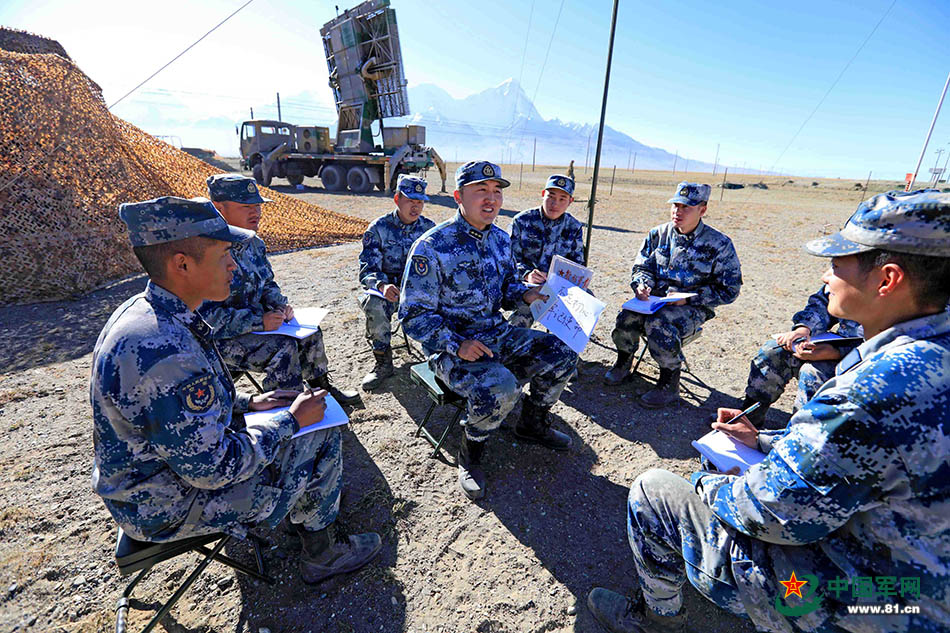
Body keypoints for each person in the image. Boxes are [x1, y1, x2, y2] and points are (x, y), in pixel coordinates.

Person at [587, 189, 950, 633]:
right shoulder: (931, 355)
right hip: (919, 583)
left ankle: (657, 620)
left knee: (655, 493)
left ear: (887, 279)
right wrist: (760, 440)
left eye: (838, 263)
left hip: (869, 603)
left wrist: (708, 484)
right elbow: (864, 460)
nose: (827, 274)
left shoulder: (873, 390)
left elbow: (771, 511)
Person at [90, 196, 380, 584]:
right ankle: (322, 553)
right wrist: (289, 421)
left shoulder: (152, 314)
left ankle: (305, 513)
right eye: (225, 254)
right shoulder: (163, 349)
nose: (234, 265)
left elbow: (179, 418)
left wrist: (249, 404)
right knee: (321, 433)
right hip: (166, 507)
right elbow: (215, 469)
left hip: (154, 483)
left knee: (299, 423)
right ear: (182, 264)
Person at [399, 161, 577, 500]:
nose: (491, 199)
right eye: (481, 191)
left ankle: (532, 423)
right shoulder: (431, 246)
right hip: (450, 348)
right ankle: (472, 452)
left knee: (563, 352)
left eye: (496, 192)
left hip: (497, 333)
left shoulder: (499, 239)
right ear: (458, 197)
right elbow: (412, 316)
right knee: (501, 385)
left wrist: (523, 293)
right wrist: (457, 343)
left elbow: (507, 286)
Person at [198, 174, 359, 405]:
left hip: (257, 326)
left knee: (310, 332)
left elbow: (267, 284)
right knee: (281, 348)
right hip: (218, 340)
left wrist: (279, 305)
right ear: (218, 208)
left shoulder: (254, 243)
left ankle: (320, 390)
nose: (255, 212)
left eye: (257, 206)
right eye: (246, 206)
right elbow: (207, 319)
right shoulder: (205, 252)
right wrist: (258, 322)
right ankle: (287, 411)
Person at [604, 181, 742, 408]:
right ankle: (623, 361)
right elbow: (642, 268)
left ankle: (669, 382)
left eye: (686, 207)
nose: (678, 211)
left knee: (659, 324)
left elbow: (730, 290)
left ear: (703, 209)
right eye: (675, 205)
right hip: (655, 300)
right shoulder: (658, 234)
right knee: (626, 315)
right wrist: (642, 285)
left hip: (692, 307)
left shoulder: (720, 244)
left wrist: (690, 298)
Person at [741, 285, 863, 426]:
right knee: (773, 352)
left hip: (864, 360)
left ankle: (800, 435)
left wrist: (838, 352)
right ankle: (747, 420)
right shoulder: (847, 272)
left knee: (813, 373)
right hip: (836, 343)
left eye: (835, 267)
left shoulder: (890, 294)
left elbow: (887, 342)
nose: (826, 275)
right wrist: (805, 328)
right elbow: (822, 303)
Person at [357, 175, 435, 389]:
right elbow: (367, 269)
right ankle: (383, 362)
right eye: (411, 200)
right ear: (397, 199)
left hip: (420, 293)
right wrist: (382, 286)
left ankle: (439, 357)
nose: (416, 207)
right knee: (374, 304)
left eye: (420, 202)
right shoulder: (378, 229)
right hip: (389, 292)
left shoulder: (430, 230)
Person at [508, 174, 585, 328]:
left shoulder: (574, 227)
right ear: (543, 194)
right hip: (528, 288)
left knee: (582, 318)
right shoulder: (522, 221)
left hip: (561, 290)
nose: (555, 203)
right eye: (551, 196)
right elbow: (509, 259)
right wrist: (527, 274)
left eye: (562, 199)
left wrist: (559, 280)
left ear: (570, 201)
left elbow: (577, 264)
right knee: (517, 325)